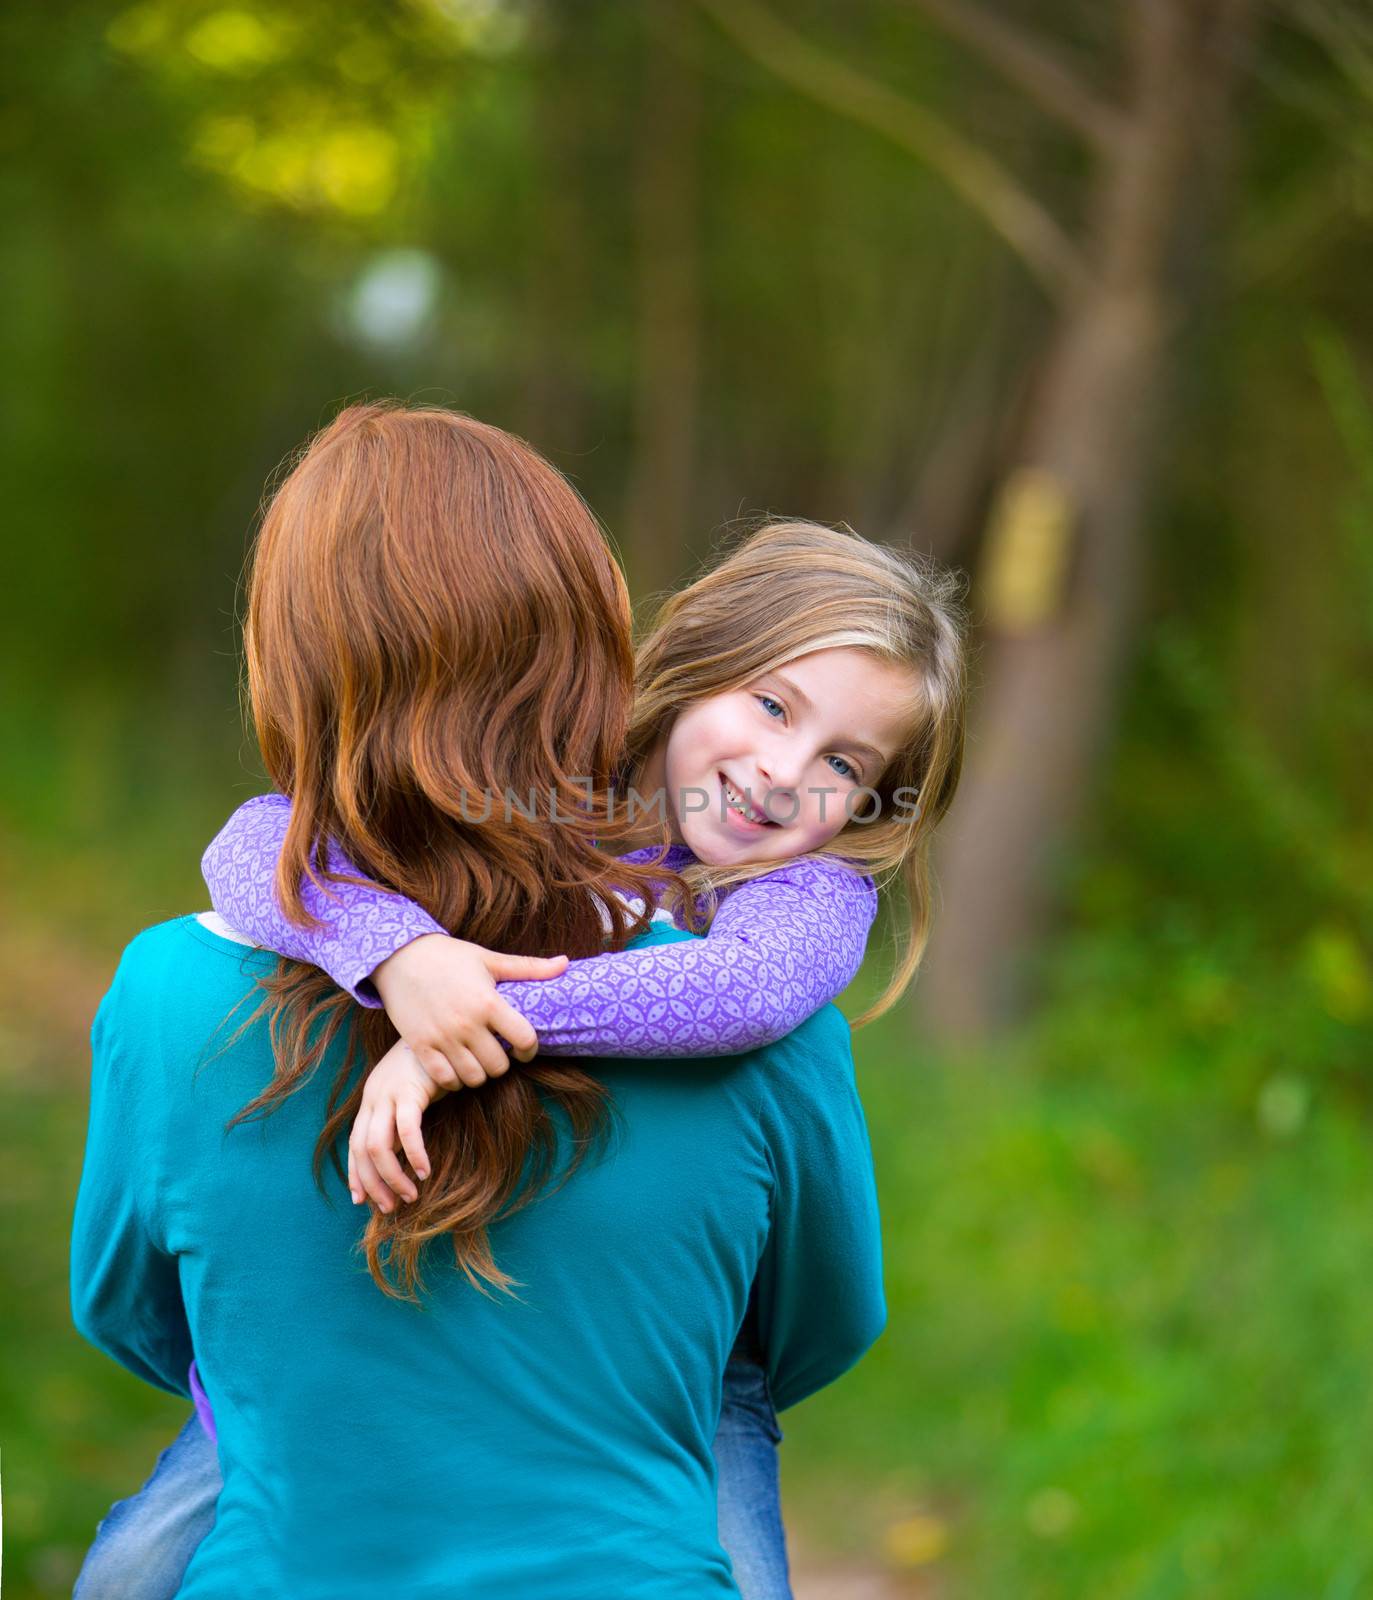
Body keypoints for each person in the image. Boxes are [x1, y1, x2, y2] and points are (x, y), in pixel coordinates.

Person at [70, 404, 887, 1599]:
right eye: (769, 709)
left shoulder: (164, 996)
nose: (782, 774)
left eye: (847, 765)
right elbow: (814, 1329)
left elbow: (134, 1317)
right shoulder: (770, 1043)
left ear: (290, 666)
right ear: (604, 659)